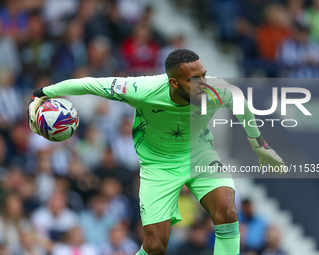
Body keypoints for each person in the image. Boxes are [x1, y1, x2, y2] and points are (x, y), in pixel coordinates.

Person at [28, 49, 284, 255]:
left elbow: (239, 100)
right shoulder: (144, 90)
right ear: (173, 82)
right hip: (159, 166)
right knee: (154, 247)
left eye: (204, 75)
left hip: (201, 155)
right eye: (195, 80)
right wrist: (42, 93)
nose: (203, 84)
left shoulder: (215, 91)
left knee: (228, 213)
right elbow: (91, 84)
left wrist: (259, 146)